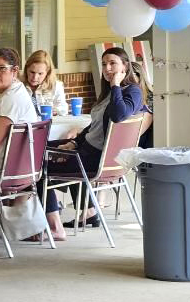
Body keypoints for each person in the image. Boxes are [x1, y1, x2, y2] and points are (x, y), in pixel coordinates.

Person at [44, 47, 148, 239]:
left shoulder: (132, 91)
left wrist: (116, 85)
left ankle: (54, 227)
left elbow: (118, 115)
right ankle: (89, 212)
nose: (107, 68)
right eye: (104, 64)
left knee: (40, 166)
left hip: (97, 159)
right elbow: (95, 126)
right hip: (86, 151)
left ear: (125, 66)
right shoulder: (109, 92)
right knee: (43, 147)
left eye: (113, 63)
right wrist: (74, 143)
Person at [0, 48, 41, 241]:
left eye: (1, 69)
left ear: (15, 71)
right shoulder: (15, 92)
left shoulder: (11, 100)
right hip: (22, 170)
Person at [22, 50, 68, 116]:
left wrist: (54, 111)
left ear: (47, 73)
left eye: (40, 73)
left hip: (50, 124)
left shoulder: (56, 86)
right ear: (26, 69)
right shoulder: (18, 86)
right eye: (32, 72)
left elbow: (64, 109)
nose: (35, 77)